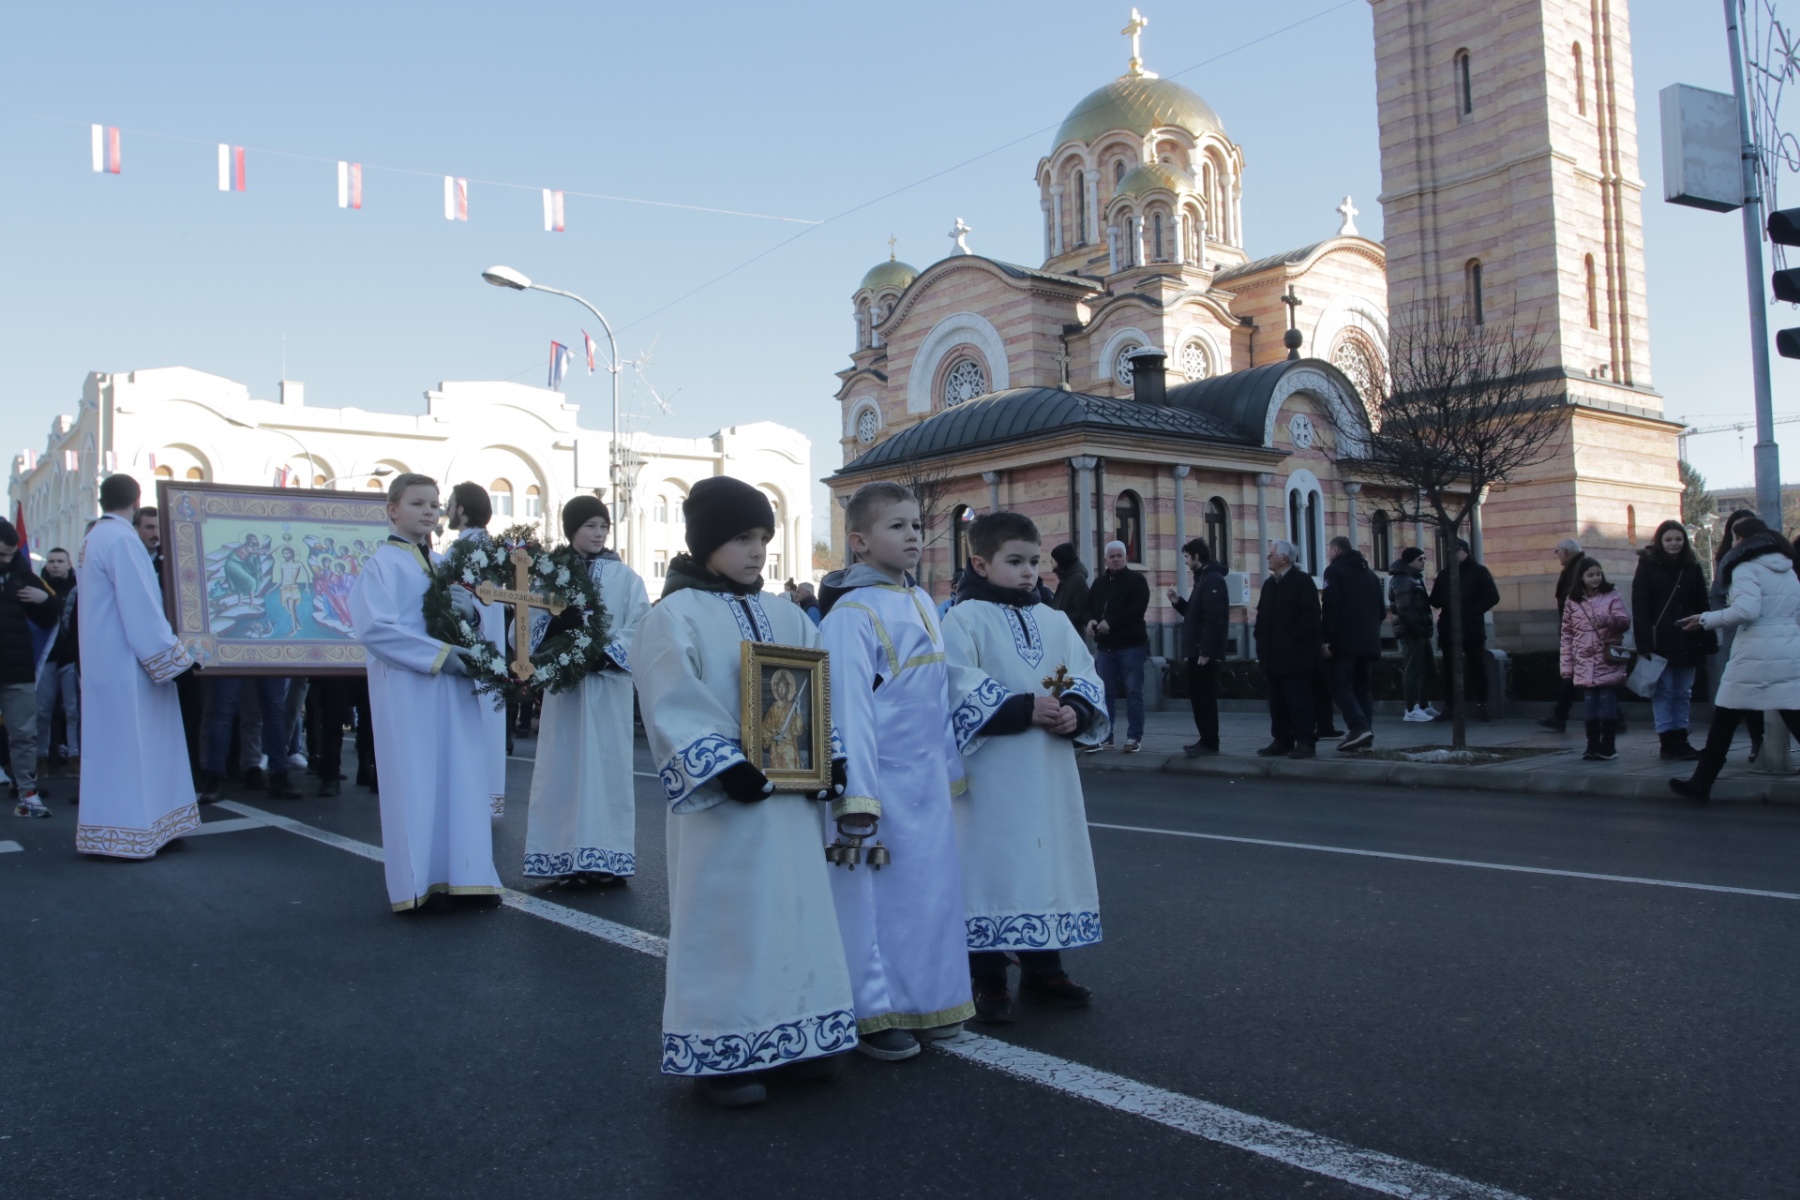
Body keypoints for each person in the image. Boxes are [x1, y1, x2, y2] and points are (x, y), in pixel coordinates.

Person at [630, 475, 854, 1109]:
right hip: (726, 811)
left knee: (796, 915)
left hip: (789, 807)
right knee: (729, 923)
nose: (757, 551)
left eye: (763, 538)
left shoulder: (789, 614)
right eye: (740, 538)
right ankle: (724, 1052)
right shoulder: (673, 615)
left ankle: (802, 1038)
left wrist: (828, 759)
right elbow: (671, 696)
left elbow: (818, 694)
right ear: (705, 543)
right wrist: (723, 764)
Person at [818, 480, 974, 1063]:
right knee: (874, 901)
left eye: (916, 525)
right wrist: (857, 796)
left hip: (926, 787)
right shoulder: (851, 616)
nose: (913, 536)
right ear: (859, 542)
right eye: (897, 527)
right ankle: (873, 1014)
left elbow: (936, 699)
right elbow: (847, 710)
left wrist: (949, 772)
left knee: (926, 901)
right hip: (877, 789)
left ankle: (928, 1000)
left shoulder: (919, 602)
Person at [942, 512, 1108, 1023]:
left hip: (1048, 769)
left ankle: (1044, 967)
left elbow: (1085, 674)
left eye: (1034, 562)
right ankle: (986, 975)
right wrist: (1021, 708)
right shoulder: (961, 619)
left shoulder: (1054, 620)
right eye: (1014, 561)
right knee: (991, 865)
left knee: (1045, 860)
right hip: (992, 773)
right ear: (980, 563)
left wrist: (1076, 710)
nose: (1029, 572)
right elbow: (954, 682)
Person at [348, 473, 502, 913]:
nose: (430, 510)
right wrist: (438, 654)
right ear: (393, 509)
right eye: (418, 503)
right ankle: (420, 883)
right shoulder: (381, 564)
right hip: (410, 691)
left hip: (453, 691)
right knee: (417, 780)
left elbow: (468, 623)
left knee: (461, 776)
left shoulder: (443, 563)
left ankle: (469, 876)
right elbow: (375, 628)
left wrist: (469, 615)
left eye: (435, 503)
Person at [523, 496, 649, 885]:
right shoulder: (550, 576)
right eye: (589, 526)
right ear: (571, 530)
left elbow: (642, 627)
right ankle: (561, 855)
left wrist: (604, 653)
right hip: (566, 693)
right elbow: (524, 626)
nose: (598, 534)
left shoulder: (626, 578)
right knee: (563, 767)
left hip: (607, 688)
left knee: (606, 768)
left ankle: (605, 858)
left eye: (603, 527)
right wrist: (555, 633)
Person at [74, 475, 198, 853]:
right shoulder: (124, 540)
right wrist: (174, 657)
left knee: (110, 751)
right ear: (136, 500)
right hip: (132, 665)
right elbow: (141, 605)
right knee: (138, 748)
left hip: (103, 663)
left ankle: (108, 831)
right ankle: (137, 833)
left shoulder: (92, 538)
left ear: (101, 499)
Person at [1670, 518, 1800, 802]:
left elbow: (1746, 610)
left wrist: (1705, 619)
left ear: (1740, 539)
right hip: (1787, 649)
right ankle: (1700, 783)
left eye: (1733, 537)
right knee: (1791, 711)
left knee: (1725, 718)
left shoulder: (1744, 568)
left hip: (1755, 652)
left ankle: (1701, 783)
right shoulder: (1787, 569)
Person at [447, 481, 509, 818]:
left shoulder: (468, 550)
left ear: (462, 509)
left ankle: (474, 806)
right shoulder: (489, 547)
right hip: (490, 651)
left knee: (471, 732)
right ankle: (485, 803)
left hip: (472, 654)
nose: (444, 507)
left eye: (450, 502)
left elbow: (478, 606)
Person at [1631, 520, 1711, 760]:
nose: (1674, 543)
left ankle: (1681, 737)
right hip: (1661, 639)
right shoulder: (1647, 565)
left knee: (1684, 691)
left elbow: (1702, 602)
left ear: (1684, 541)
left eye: (1678, 539)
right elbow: (1640, 605)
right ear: (1660, 541)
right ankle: (1667, 740)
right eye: (1668, 539)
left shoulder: (1692, 566)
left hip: (1688, 637)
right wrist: (1643, 643)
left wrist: (1707, 635)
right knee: (1664, 691)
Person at [0, 522, 59, 817]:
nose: (7, 560)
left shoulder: (25, 577)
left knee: (24, 735)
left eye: (10, 554)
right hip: (16, 669)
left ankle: (28, 794)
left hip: (17, 670)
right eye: (1, 554)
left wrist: (46, 601)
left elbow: (51, 620)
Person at [1254, 540, 1321, 759]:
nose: (1268, 557)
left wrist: (1294, 640)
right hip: (1272, 655)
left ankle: (1305, 741)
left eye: (1271, 554)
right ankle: (1281, 739)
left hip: (1294, 656)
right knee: (1277, 702)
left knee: (1298, 700)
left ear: (1284, 558)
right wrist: (1260, 640)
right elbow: (1262, 615)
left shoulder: (1302, 582)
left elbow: (1310, 617)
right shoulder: (1270, 584)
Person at [1708, 509, 1767, 762]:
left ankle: (1705, 775)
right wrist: (1724, 619)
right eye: (1735, 533)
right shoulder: (1730, 563)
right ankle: (1755, 743)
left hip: (1768, 639)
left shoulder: (1775, 563)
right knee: (1736, 699)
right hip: (1741, 638)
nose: (1739, 539)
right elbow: (1718, 596)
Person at [1560, 557, 1630, 762]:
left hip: (1606, 659)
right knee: (1590, 702)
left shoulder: (1612, 594)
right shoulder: (1572, 601)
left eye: (1598, 574)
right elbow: (1566, 635)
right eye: (1590, 574)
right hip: (1583, 660)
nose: (1595, 578)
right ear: (1581, 577)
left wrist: (1605, 620)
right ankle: (1592, 745)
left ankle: (1608, 746)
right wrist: (1566, 668)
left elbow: (1624, 622)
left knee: (1607, 699)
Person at [1083, 540, 1150, 753]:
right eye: (1111, 556)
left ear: (1126, 558)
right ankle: (1105, 736)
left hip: (1131, 646)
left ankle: (1134, 737)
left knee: (1134, 692)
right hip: (1105, 649)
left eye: (1119, 555)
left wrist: (1110, 622)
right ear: (1105, 560)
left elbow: (1136, 609)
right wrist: (1091, 622)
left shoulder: (1137, 581)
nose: (1116, 559)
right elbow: (1088, 608)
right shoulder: (1098, 584)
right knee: (1104, 694)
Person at [1320, 536, 1385, 752]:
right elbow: (1382, 611)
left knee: (1338, 684)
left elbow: (1331, 606)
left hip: (1345, 642)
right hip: (1370, 642)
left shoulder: (1334, 571)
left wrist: (1327, 639)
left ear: (1336, 550)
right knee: (1362, 689)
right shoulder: (1371, 575)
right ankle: (1364, 734)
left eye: (1329, 550)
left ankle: (1358, 728)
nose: (1328, 555)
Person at [1168, 536, 1229, 756]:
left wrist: (1206, 651)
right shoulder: (1202, 579)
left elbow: (1214, 619)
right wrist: (1178, 602)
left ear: (1196, 557)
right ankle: (1205, 739)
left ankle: (1210, 742)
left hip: (1203, 653)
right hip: (1197, 650)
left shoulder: (1212, 580)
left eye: (1186, 557)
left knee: (1205, 699)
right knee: (1198, 698)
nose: (1185, 561)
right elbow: (1195, 615)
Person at [1430, 539, 1500, 721]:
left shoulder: (1479, 572)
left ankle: (1482, 705)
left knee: (1477, 666)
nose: (1452, 555)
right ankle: (1449, 706)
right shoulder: (1445, 574)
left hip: (1472, 627)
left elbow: (1492, 596)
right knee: (1449, 669)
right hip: (1448, 627)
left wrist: (1474, 610)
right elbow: (1435, 598)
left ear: (1465, 551)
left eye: (1456, 551)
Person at [197, 675, 299, 802]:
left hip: (232, 659)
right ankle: (278, 775)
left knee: (222, 713)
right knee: (272, 712)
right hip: (262, 659)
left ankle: (214, 779)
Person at [36, 547, 80, 781]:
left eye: (59, 561)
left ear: (68, 563)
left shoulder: (78, 587)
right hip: (46, 659)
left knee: (73, 712)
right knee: (42, 711)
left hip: (70, 658)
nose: (55, 565)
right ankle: (41, 757)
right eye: (51, 561)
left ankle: (75, 758)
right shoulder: (38, 587)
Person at [1539, 538, 1587, 732]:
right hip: (1574, 631)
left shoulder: (1578, 568)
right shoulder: (1573, 568)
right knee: (1574, 674)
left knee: (1577, 674)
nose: (1556, 555)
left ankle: (1560, 716)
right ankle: (1560, 715)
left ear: (1566, 552)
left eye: (1557, 551)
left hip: (1578, 632)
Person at [1389, 547, 1438, 722]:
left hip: (1421, 631)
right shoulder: (1402, 579)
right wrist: (1417, 629)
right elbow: (1404, 609)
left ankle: (1423, 705)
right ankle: (1411, 709)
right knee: (1413, 670)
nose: (1424, 561)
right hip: (1412, 632)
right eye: (1420, 558)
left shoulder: (1413, 578)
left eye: (1425, 558)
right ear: (1410, 561)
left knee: (1428, 670)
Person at [1048, 542, 1091, 638]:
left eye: (1054, 559)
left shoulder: (1077, 580)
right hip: (1063, 635)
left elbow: (1084, 611)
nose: (1051, 561)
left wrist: (1063, 619)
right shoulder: (1065, 580)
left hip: (1073, 637)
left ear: (1061, 561)